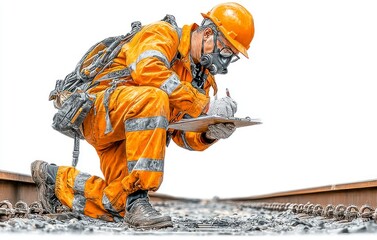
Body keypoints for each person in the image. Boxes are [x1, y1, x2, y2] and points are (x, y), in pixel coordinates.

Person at [31, 2, 254, 229]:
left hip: (131, 133)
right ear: (208, 34)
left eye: (231, 56)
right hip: (101, 113)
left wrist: (209, 132)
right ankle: (139, 200)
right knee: (154, 97)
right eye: (226, 50)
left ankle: (56, 181)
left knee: (118, 203)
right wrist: (204, 106)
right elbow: (148, 70)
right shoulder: (163, 34)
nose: (225, 62)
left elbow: (179, 132)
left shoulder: (200, 79)